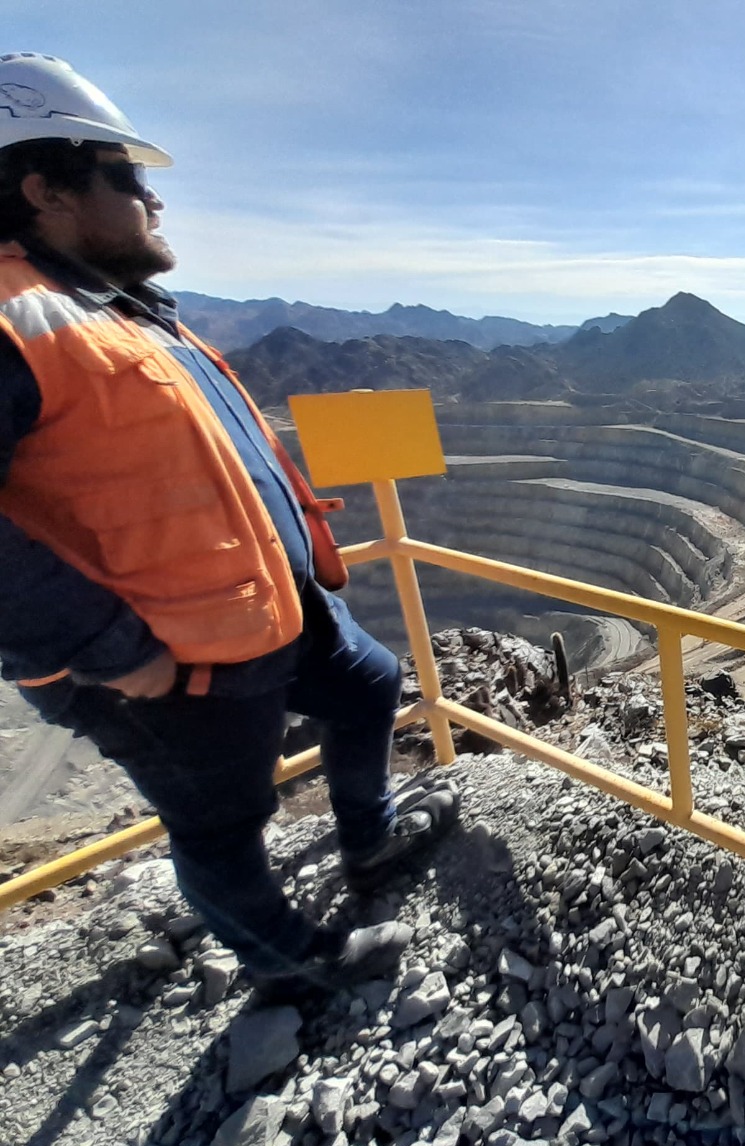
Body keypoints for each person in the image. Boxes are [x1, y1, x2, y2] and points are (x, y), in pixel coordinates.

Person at [0, 52, 458, 994]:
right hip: (162, 653)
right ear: (44, 187)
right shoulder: (13, 319)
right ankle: (293, 965)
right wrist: (111, 647)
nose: (152, 199)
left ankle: (367, 843)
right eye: (125, 175)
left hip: (267, 605)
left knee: (371, 684)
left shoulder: (118, 309)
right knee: (220, 822)